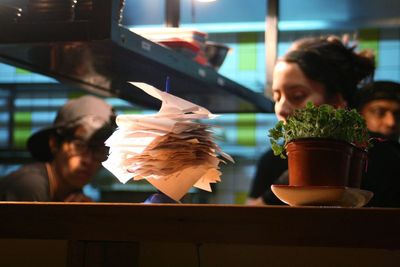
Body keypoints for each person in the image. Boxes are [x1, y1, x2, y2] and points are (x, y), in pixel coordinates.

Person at [247, 35, 377, 205]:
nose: (281, 109)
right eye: (277, 96)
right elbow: (251, 221)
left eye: (297, 96)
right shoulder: (272, 161)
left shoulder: (378, 159)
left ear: (337, 103)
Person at [0, 95, 116, 202]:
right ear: (54, 143)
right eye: (79, 146)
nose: (88, 160)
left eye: (99, 150)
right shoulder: (29, 185)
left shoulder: (72, 193)